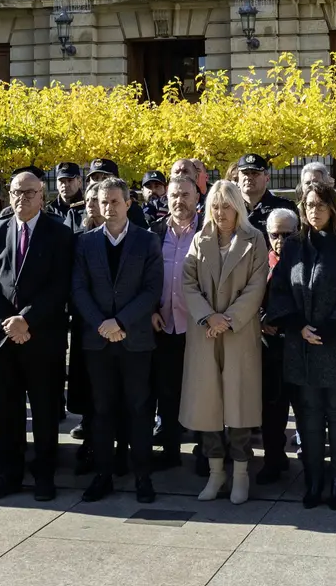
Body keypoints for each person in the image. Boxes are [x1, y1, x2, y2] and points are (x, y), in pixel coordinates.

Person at [266, 179, 336, 510]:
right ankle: (313, 480)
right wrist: (298, 326)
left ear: (332, 209)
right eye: (309, 205)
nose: (315, 211)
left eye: (321, 205)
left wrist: (327, 329)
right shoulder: (294, 246)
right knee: (307, 416)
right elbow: (279, 290)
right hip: (302, 346)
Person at [0, 167, 75, 502]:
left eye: (30, 192)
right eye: (17, 192)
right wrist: (7, 322)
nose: (23, 198)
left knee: (45, 411)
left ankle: (44, 475)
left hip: (42, 337)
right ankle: (9, 474)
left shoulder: (59, 232)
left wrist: (26, 320)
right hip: (5, 338)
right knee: (6, 412)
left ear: (42, 196)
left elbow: (60, 285)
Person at [70, 177, 163, 503]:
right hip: (98, 341)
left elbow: (152, 289)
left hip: (135, 339)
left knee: (139, 409)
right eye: (103, 202)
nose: (108, 207)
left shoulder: (147, 240)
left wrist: (120, 322)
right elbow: (78, 288)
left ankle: (142, 477)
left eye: (114, 201)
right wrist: (102, 324)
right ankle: (103, 475)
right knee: (102, 409)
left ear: (128, 203)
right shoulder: (85, 242)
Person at [180, 180, 267, 505]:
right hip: (206, 334)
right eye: (215, 206)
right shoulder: (199, 239)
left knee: (239, 404)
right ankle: (216, 472)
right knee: (208, 406)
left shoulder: (254, 239)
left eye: (226, 206)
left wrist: (228, 319)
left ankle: (241, 473)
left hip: (238, 333)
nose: (220, 213)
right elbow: (188, 282)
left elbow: (256, 285)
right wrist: (208, 317)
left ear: (237, 207)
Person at [150, 175, 200, 471]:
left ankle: (205, 453)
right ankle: (170, 451)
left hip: (199, 326)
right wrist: (150, 310)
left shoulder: (209, 231)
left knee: (202, 392)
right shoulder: (153, 233)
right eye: (174, 195)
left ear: (196, 198)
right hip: (164, 324)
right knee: (166, 392)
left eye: (185, 195)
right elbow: (144, 277)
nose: (179, 200)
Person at [256, 207, 298, 486]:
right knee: (272, 409)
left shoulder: (307, 258)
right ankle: (273, 459)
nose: (280, 240)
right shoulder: (259, 261)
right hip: (269, 347)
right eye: (274, 235)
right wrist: (260, 319)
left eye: (287, 234)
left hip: (299, 343)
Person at [236, 154, 298, 233]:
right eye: (245, 173)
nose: (249, 177)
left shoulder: (284, 207)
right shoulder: (229, 206)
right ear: (238, 178)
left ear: (267, 178)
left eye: (255, 173)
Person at [51, 161, 86, 228]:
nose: (65, 185)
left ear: (79, 182)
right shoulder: (50, 210)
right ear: (56, 184)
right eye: (61, 181)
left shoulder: (88, 208)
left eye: (70, 180)